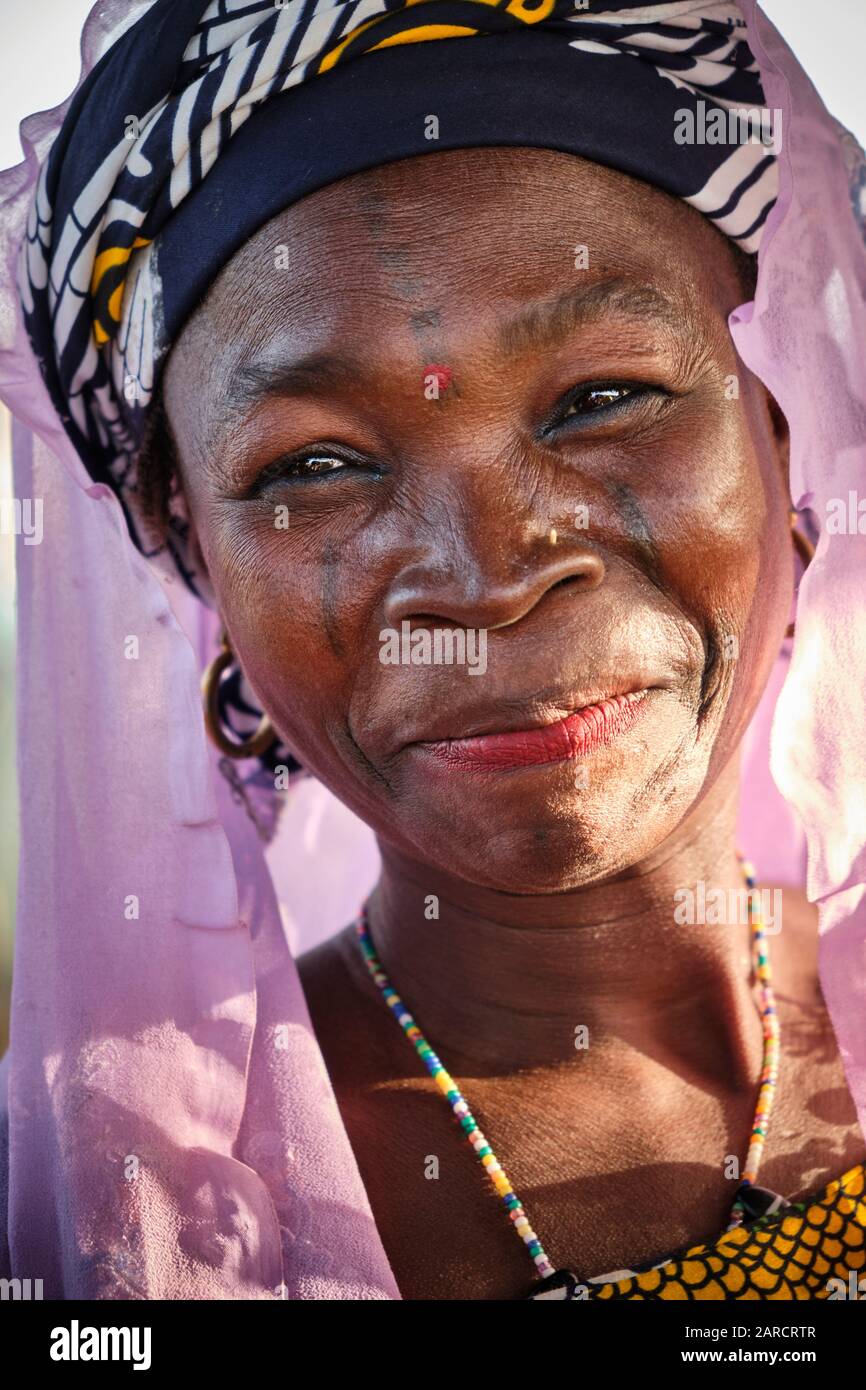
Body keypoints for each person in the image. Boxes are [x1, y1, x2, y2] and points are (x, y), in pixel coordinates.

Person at [0, 0, 864, 1301]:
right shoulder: (140, 1230)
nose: (489, 574)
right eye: (316, 465)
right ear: (191, 549)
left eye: (601, 396)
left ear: (779, 422)